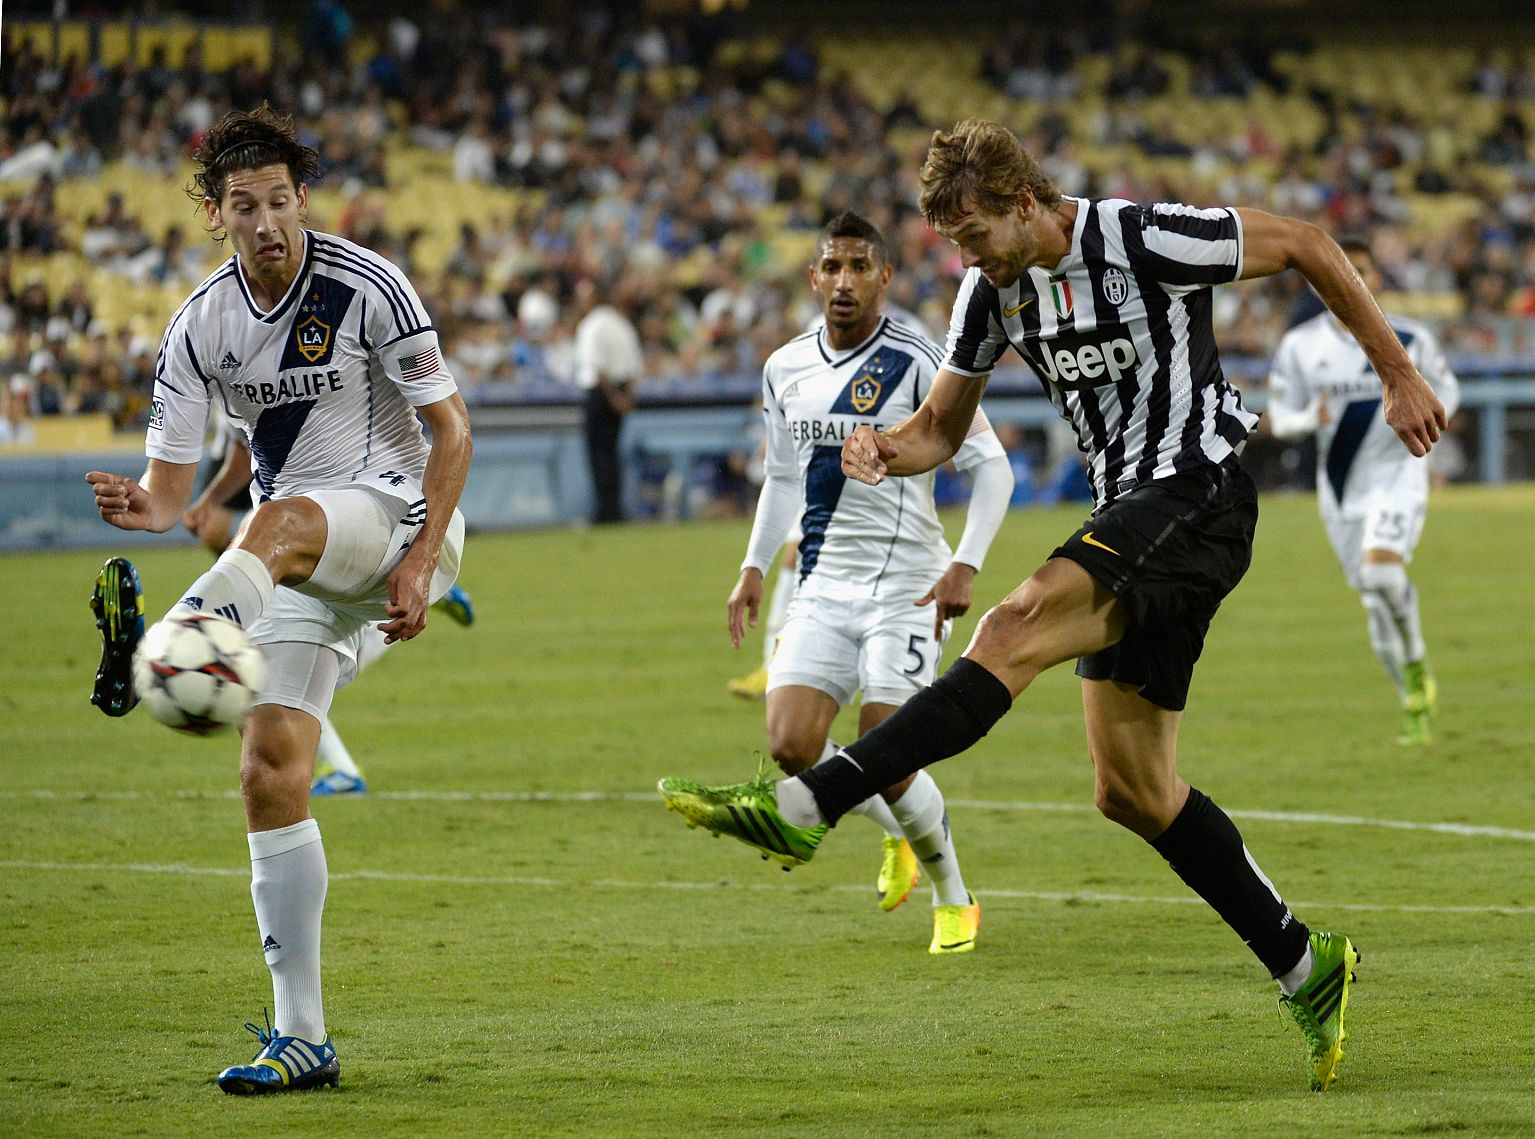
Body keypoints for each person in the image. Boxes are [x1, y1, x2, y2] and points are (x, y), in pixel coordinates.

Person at [658, 120, 1448, 1091]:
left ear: (1024, 202)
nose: (966, 254)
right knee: (1131, 789)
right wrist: (882, 448)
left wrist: (1398, 370)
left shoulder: (1139, 236)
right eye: (952, 241)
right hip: (1134, 515)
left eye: (976, 232)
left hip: (1197, 490)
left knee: (1012, 625)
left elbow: (1308, 245)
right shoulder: (988, 291)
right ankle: (1303, 961)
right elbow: (938, 426)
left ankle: (809, 801)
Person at [83, 105, 471, 1094]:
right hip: (296, 557)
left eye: (282, 201)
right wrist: (146, 509)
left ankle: (176, 637)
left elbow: (453, 430)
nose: (268, 222)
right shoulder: (199, 327)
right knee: (269, 766)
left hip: (393, 515)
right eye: (245, 205)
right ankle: (303, 1036)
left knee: (283, 515)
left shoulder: (366, 284)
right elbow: (175, 489)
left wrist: (426, 557)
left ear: (304, 201)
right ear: (215, 214)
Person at [661, 212, 1013, 953]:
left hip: (907, 586)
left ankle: (955, 894)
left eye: (861, 266)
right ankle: (900, 834)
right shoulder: (784, 367)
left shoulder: (921, 359)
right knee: (791, 744)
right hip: (822, 586)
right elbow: (782, 478)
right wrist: (753, 567)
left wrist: (966, 562)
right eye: (833, 267)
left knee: (887, 754)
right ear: (813, 277)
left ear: (886, 276)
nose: (845, 280)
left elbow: (994, 469)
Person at [184, 426, 478, 795]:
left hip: (325, 510)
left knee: (261, 660)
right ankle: (400, 589)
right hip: (294, 520)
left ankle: (340, 767)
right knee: (267, 657)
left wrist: (209, 501)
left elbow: (453, 427)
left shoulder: (253, 382)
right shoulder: (227, 391)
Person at [1263, 238, 1460, 746]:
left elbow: (1447, 389)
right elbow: (1281, 419)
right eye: (1341, 272)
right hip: (1341, 487)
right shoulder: (1300, 347)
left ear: (1375, 280)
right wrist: (1311, 418)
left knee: (1381, 574)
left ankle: (1415, 660)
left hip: (1399, 472)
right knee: (1373, 599)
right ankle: (1412, 697)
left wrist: (1434, 421)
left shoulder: (1411, 339)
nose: (1352, 281)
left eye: (1363, 272)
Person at [726, 302, 937, 702]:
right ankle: (777, 661)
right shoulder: (819, 328)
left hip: (887, 478)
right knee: (796, 552)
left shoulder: (910, 332)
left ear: (882, 275)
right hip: (823, 469)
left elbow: (938, 403)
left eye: (862, 267)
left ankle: (863, 663)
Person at [572, 276, 643, 524]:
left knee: (598, 456)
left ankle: (605, 512)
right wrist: (626, 397)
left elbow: (597, 367)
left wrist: (613, 397)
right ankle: (615, 510)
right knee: (612, 454)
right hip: (620, 391)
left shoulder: (591, 325)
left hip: (601, 394)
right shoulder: (621, 323)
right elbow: (635, 366)